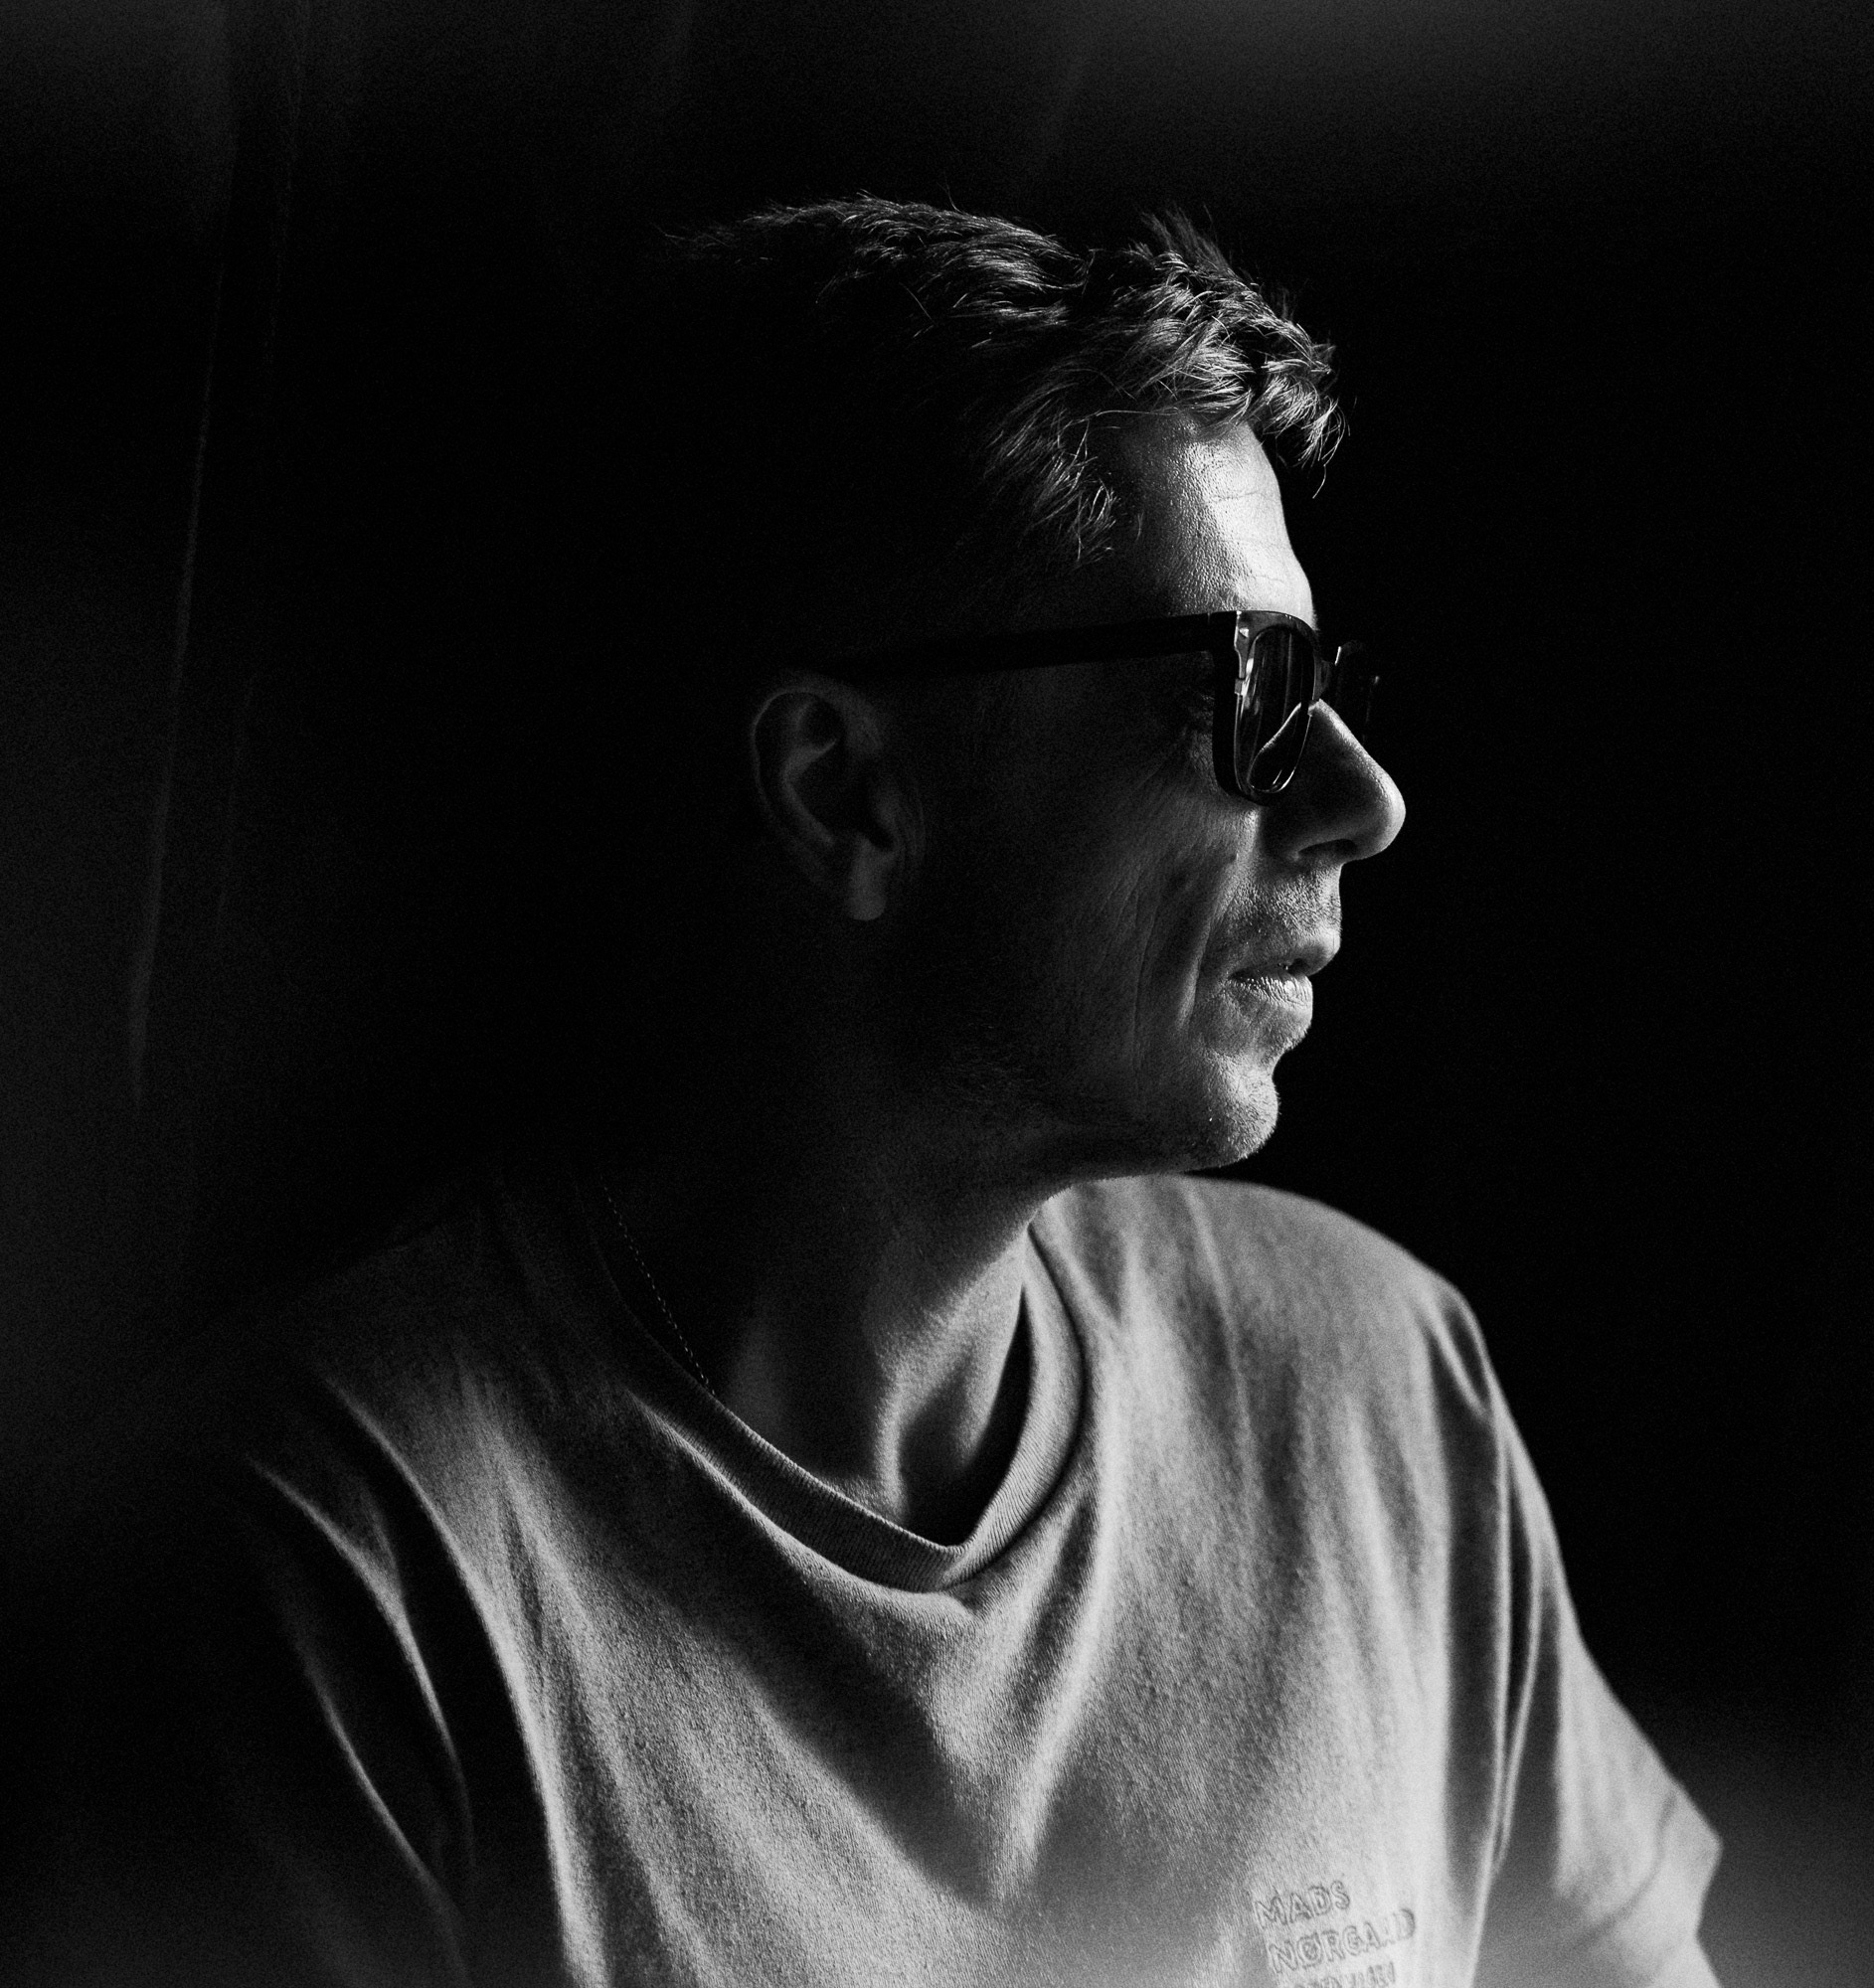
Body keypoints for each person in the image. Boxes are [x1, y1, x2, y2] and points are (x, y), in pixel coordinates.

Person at [1, 200, 1720, 1987]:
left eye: (1324, 686)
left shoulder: (1372, 1393)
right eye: (1245, 689)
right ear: (844, 791)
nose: (1363, 799)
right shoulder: (319, 1582)